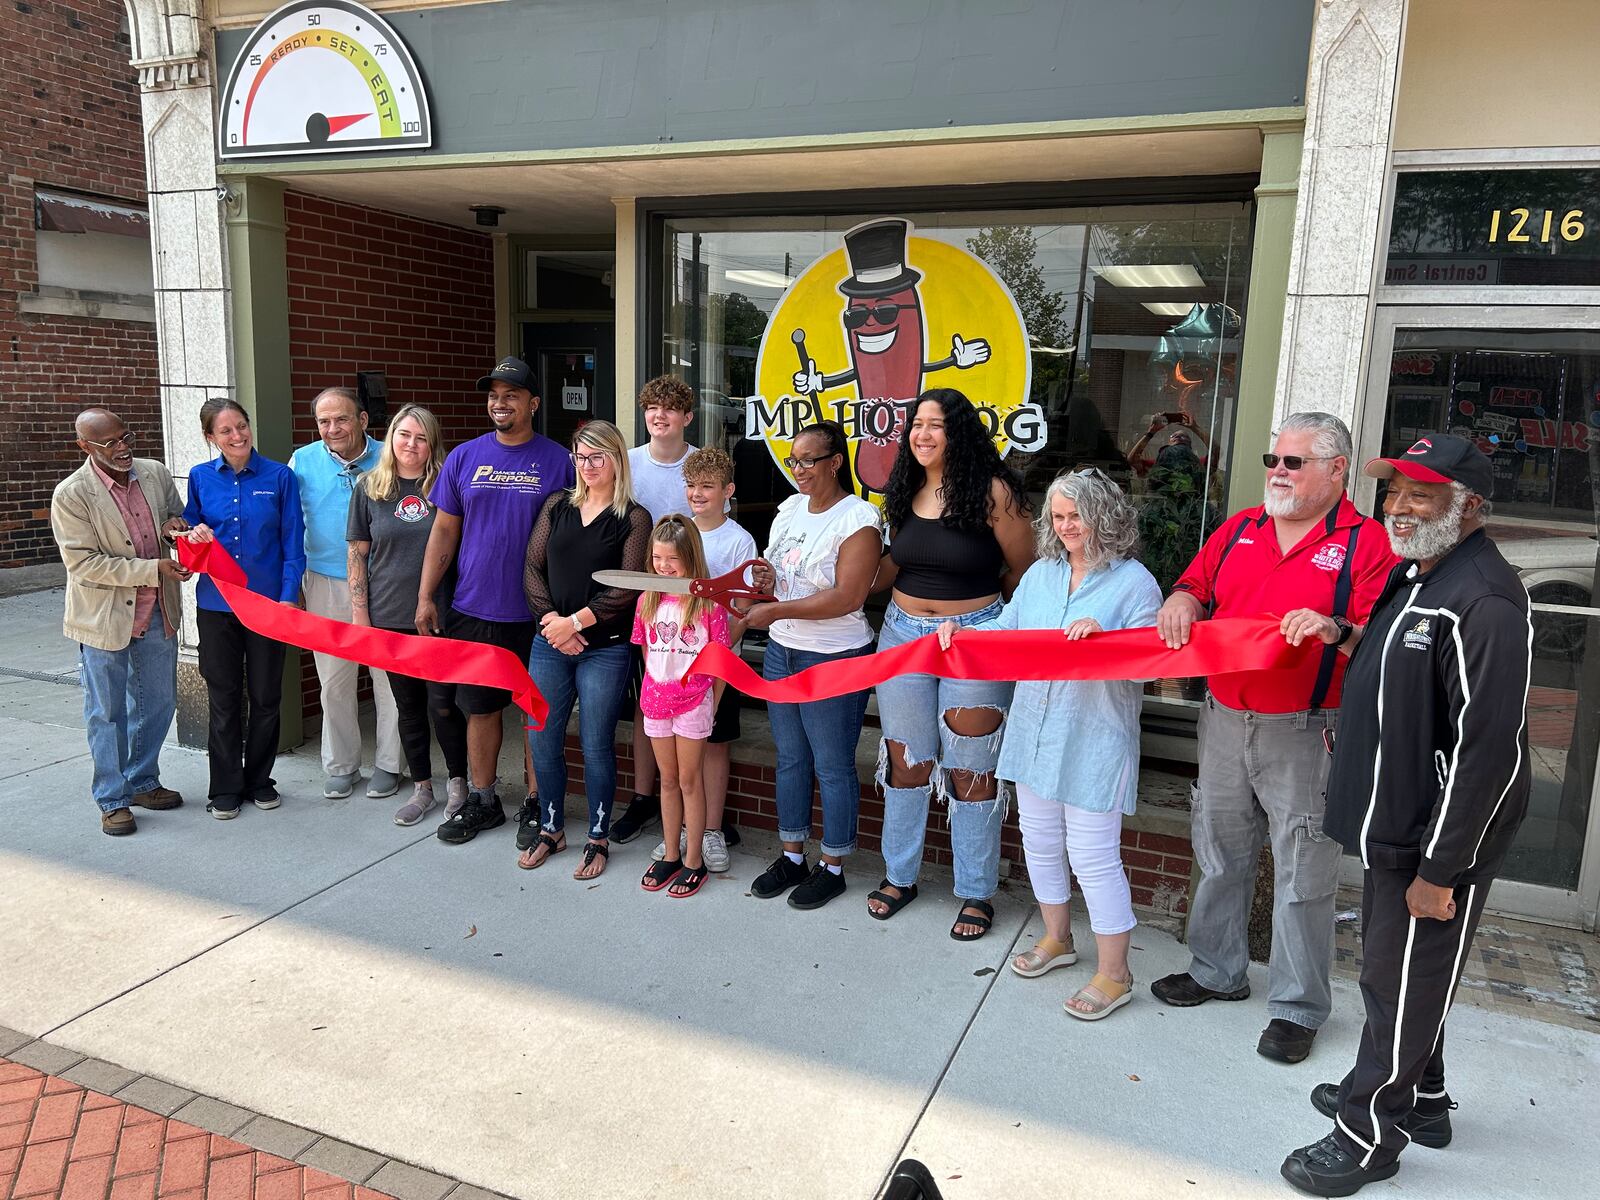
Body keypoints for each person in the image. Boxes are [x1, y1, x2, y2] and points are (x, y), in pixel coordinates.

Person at [1280, 434, 1533, 1197]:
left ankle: (1367, 1136)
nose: (1398, 506)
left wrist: (1439, 871)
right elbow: (1402, 661)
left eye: (1420, 494)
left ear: (1469, 507)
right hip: (1394, 821)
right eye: (1395, 491)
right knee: (1418, 975)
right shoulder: (1419, 571)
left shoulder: (1483, 599)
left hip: (1435, 839)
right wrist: (1345, 634)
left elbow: (1488, 754)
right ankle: (1421, 1099)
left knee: (1400, 982)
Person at [1151, 412, 1397, 1063]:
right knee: (1221, 851)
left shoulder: (1367, 544)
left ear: (1337, 470)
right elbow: (1196, 584)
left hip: (1310, 729)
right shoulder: (1241, 529)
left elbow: (1385, 643)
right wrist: (1181, 600)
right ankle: (1216, 971)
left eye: (1294, 462)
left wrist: (1333, 628)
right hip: (1225, 719)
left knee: (1303, 872)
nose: (1278, 473)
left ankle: (1297, 1006)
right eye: (1273, 459)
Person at [938, 469, 1160, 1017]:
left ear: (1104, 514)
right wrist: (963, 632)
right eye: (1058, 517)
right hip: (1034, 731)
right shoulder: (1040, 574)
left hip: (1093, 741)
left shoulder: (1136, 583)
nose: (1066, 527)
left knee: (1093, 858)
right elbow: (1010, 630)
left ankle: (1116, 973)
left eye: (1076, 515)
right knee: (1038, 842)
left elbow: (1150, 667)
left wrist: (1105, 643)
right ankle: (1058, 939)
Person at [868, 388, 1035, 938]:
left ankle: (976, 891)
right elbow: (895, 562)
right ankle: (900, 875)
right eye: (916, 424)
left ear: (958, 432)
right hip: (902, 635)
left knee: (971, 769)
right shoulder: (906, 487)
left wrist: (987, 627)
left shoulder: (995, 493)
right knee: (906, 762)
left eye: (935, 425)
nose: (922, 434)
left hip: (977, 639)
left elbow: (1023, 575)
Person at [416, 356, 574, 845]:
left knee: (535, 711)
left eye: (511, 394)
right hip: (474, 607)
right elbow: (444, 530)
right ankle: (483, 801)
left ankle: (535, 801)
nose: (499, 403)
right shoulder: (465, 457)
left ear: (533, 403)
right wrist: (425, 595)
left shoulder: (559, 461)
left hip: (537, 611)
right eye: (493, 395)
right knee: (480, 709)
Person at [742, 422, 882, 911]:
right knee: (792, 759)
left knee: (832, 764)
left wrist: (775, 609)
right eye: (794, 459)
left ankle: (834, 865)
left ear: (835, 462)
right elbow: (778, 571)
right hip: (783, 650)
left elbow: (848, 596)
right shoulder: (789, 509)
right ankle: (793, 855)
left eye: (808, 460)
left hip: (835, 655)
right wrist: (765, 577)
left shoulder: (859, 518)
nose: (798, 469)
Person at [521, 420, 651, 880]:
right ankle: (552, 829)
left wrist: (574, 623)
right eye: (580, 456)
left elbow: (629, 587)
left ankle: (597, 838)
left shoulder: (634, 518)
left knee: (596, 743)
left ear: (617, 460)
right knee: (542, 737)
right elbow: (532, 568)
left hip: (605, 648)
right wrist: (551, 624)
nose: (588, 465)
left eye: (598, 457)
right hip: (549, 644)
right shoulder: (558, 504)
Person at [50, 408, 190, 836]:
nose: (123, 447)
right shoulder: (71, 494)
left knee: (159, 702)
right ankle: (112, 798)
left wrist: (172, 530)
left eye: (125, 436)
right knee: (106, 713)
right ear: (85, 447)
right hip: (103, 619)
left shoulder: (154, 473)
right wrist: (153, 570)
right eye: (109, 442)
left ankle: (143, 780)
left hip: (158, 611)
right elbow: (84, 564)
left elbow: (173, 518)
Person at [182, 398, 305, 820]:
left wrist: (290, 594)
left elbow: (293, 541)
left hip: (269, 605)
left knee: (268, 695)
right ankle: (226, 787)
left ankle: (259, 780)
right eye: (226, 431)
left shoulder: (280, 477)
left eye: (242, 426)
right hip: (216, 606)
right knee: (224, 696)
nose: (237, 436)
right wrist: (189, 535)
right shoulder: (199, 478)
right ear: (210, 438)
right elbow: (187, 535)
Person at [347, 404, 469, 826]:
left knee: (444, 705)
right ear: (391, 438)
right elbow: (357, 552)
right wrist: (361, 615)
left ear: (432, 443)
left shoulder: (447, 486)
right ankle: (422, 788)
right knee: (408, 707)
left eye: (420, 437)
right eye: (404, 435)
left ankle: (459, 783)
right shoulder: (369, 488)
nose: (411, 445)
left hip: (439, 615)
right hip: (388, 614)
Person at [290, 387, 402, 801]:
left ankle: (390, 764)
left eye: (341, 419)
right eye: (324, 421)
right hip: (324, 581)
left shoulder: (390, 456)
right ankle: (341, 765)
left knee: (388, 680)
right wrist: (296, 582)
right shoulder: (302, 461)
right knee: (334, 681)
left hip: (386, 583)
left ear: (362, 420)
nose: (332, 428)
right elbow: (292, 524)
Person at [654, 446, 757, 873]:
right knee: (676, 761)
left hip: (717, 666)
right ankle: (681, 831)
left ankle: (710, 830)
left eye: (708, 487)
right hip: (670, 667)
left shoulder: (738, 540)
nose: (698, 494)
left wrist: (714, 656)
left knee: (714, 745)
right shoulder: (677, 534)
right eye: (692, 486)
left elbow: (744, 607)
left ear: (727, 491)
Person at [612, 374, 700, 846]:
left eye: (669, 408)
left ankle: (698, 809)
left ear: (687, 417)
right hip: (639, 601)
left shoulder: (697, 466)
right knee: (650, 705)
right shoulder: (627, 465)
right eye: (651, 408)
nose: (659, 416)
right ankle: (644, 798)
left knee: (693, 707)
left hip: (692, 609)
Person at [634, 516, 732, 899]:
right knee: (668, 779)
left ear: (691, 558)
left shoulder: (708, 605)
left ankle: (694, 860)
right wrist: (654, 691)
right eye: (657, 558)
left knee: (691, 780)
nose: (663, 567)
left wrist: (709, 704)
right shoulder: (647, 600)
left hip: (695, 703)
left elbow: (720, 665)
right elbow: (646, 652)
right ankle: (671, 852)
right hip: (657, 701)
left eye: (672, 559)